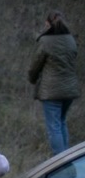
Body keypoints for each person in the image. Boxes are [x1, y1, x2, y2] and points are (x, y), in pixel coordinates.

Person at [28, 10, 81, 156]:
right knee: (62, 122)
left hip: (51, 91)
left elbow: (35, 66)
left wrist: (32, 79)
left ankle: (60, 162)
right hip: (69, 90)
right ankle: (68, 158)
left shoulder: (45, 41)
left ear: (47, 23)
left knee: (54, 127)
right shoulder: (71, 40)